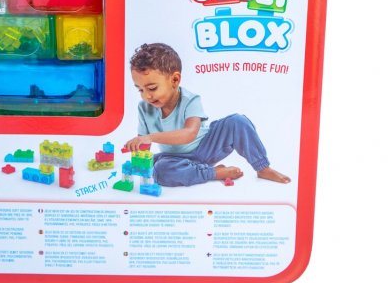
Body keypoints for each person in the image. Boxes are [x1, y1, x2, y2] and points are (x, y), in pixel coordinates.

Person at [124, 43, 290, 187]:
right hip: (173, 157)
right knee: (160, 170)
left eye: (152, 88)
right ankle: (213, 173)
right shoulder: (143, 108)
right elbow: (143, 144)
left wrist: (150, 137)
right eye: (140, 90)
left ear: (174, 80)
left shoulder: (190, 100)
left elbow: (189, 134)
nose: (146, 96)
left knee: (237, 121)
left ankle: (263, 168)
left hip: (205, 147)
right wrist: (139, 156)